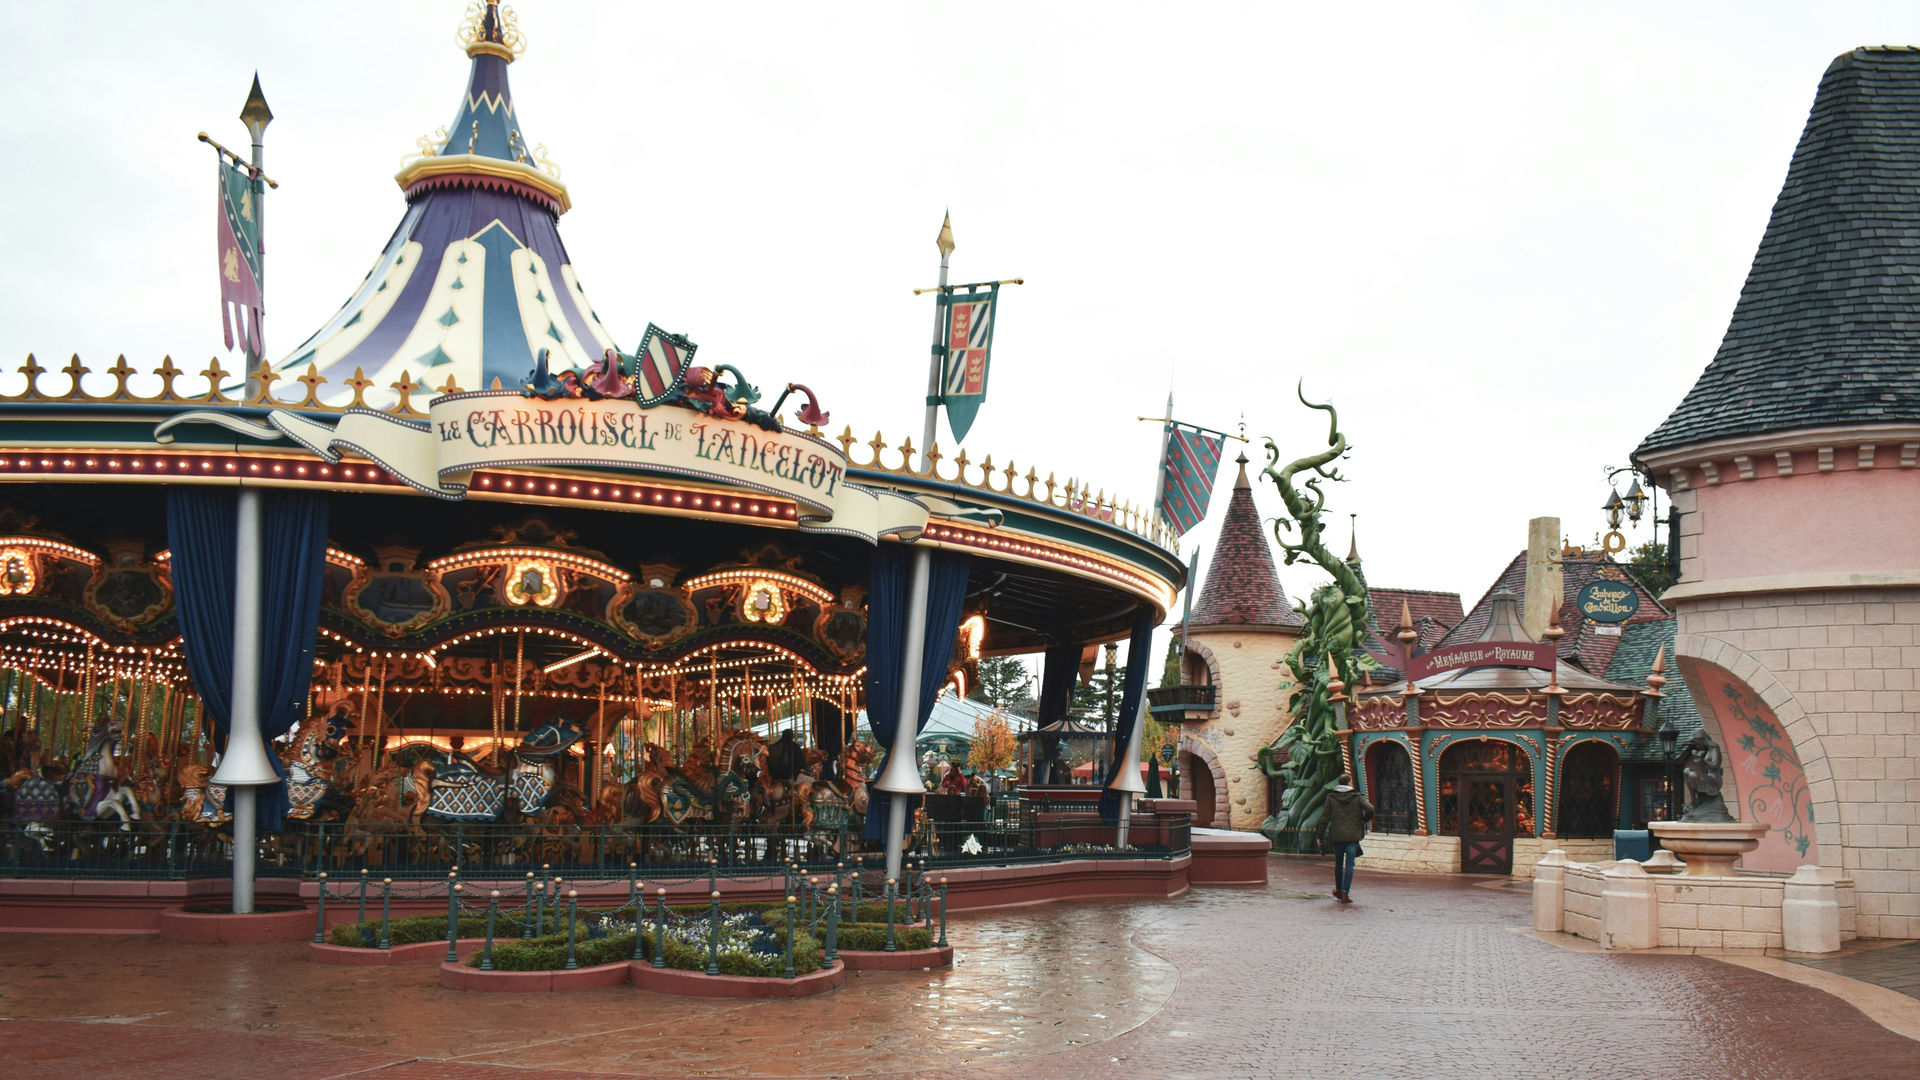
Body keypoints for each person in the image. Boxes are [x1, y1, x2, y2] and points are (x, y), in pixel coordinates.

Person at [1318, 772, 1373, 904]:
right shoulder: (1357, 797)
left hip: (1337, 835)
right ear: (1349, 783)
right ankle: (1345, 892)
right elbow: (1370, 809)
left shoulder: (1331, 797)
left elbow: (1324, 818)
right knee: (1349, 865)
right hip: (1353, 836)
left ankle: (1338, 889)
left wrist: (1320, 835)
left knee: (1338, 864)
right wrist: (1363, 820)